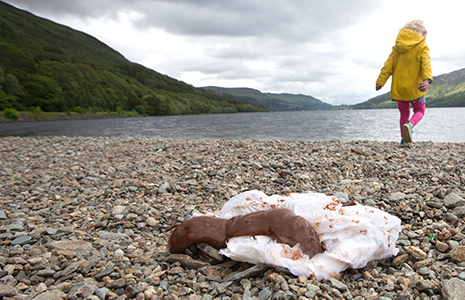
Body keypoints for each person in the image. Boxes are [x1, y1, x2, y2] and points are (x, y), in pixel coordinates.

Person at [375, 20, 433, 146]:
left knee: (404, 112)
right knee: (420, 111)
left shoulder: (397, 49)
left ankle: (403, 140)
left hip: (399, 88)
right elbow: (426, 65)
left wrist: (380, 82)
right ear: (420, 35)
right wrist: (427, 80)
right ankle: (410, 125)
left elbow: (387, 67)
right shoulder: (422, 47)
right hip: (415, 88)